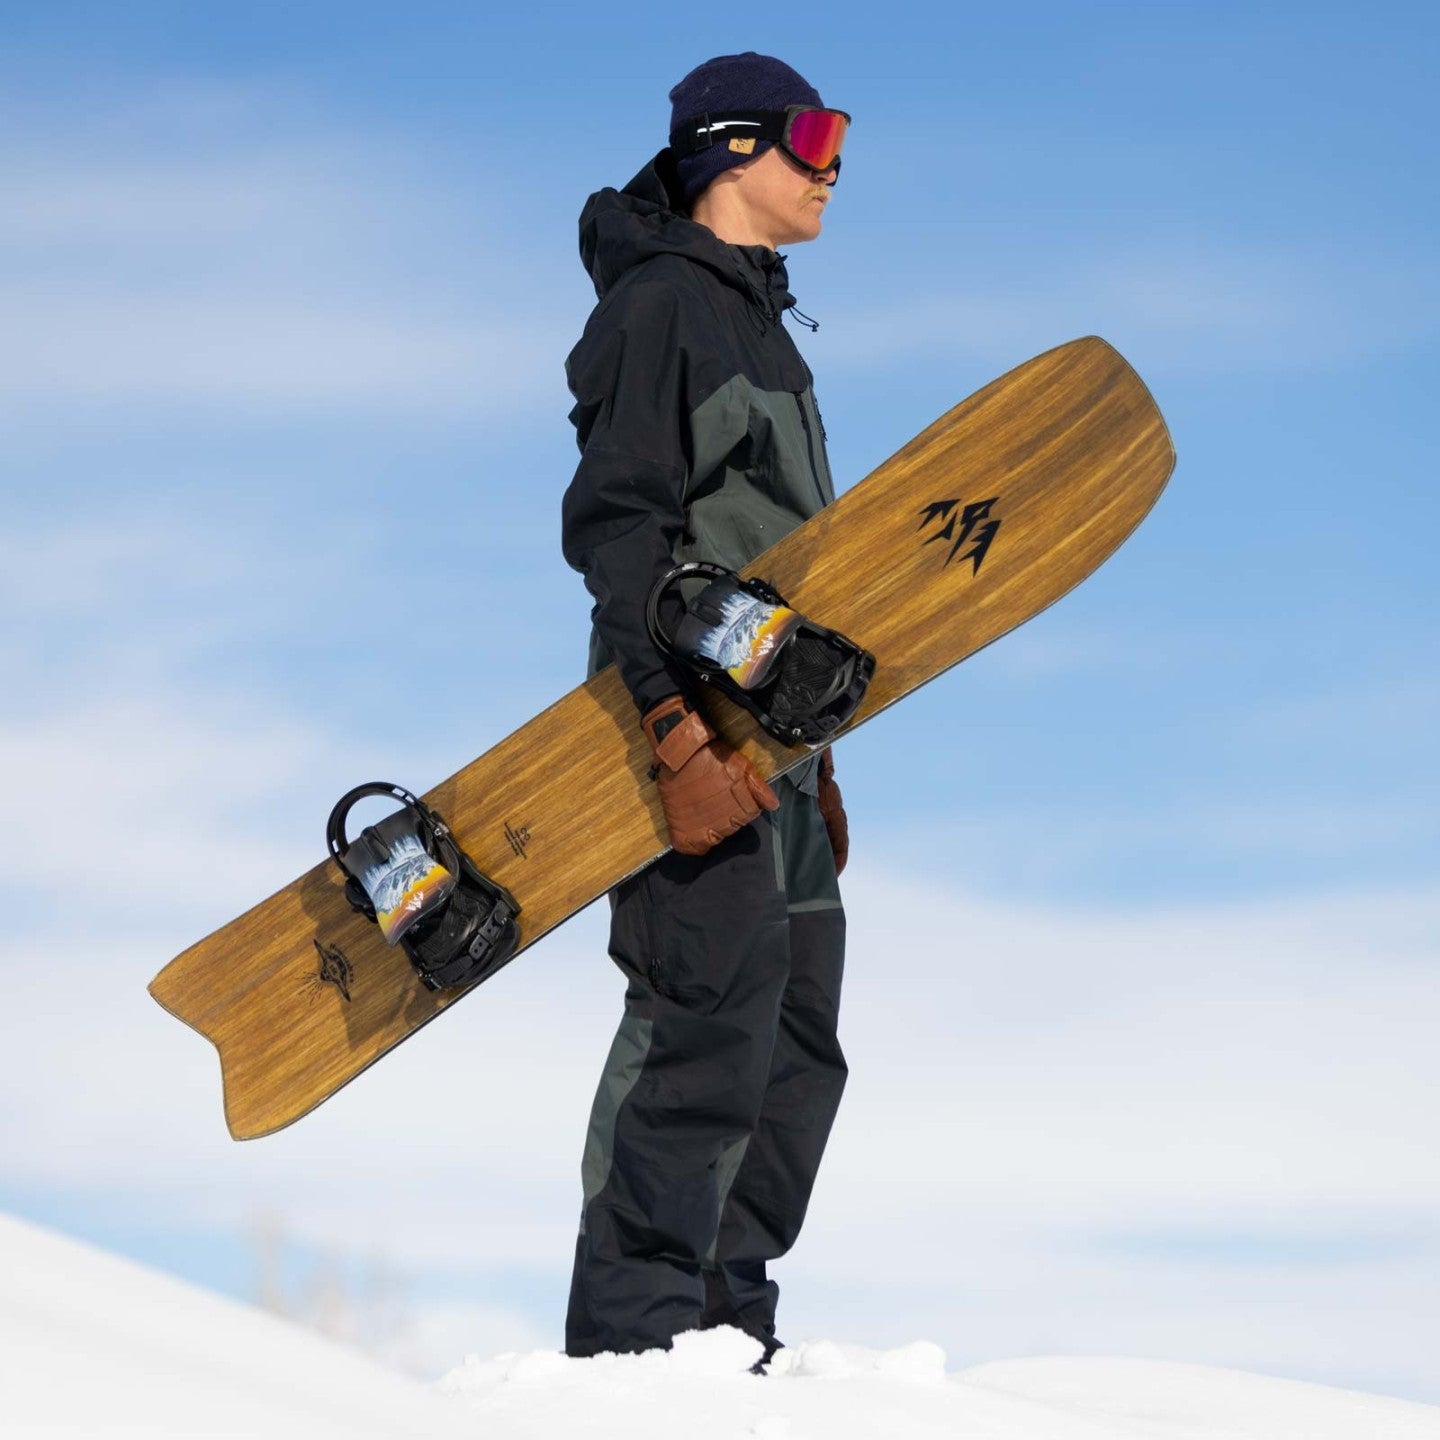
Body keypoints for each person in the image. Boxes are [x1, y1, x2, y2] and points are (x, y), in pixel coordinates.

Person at [560, 52, 852, 1365]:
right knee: (699, 1038)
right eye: (815, 133)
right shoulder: (665, 308)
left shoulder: (766, 326)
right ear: (735, 148)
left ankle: (728, 1349)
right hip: (679, 738)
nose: (833, 162)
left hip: (776, 761)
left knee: (794, 1056)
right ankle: (633, 1355)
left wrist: (820, 764)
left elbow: (787, 565)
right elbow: (623, 533)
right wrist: (673, 739)